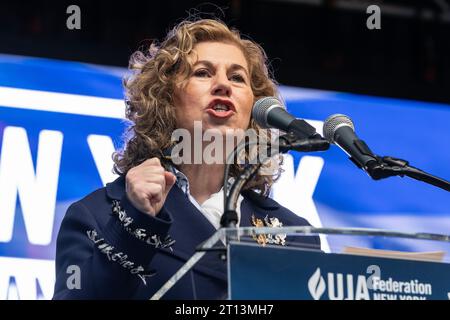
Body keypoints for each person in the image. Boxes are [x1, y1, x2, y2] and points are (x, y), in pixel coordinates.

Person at [53, 18, 320, 300]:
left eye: (237, 77)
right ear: (165, 99)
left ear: (254, 109)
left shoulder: (295, 234)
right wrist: (135, 221)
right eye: (203, 73)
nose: (223, 86)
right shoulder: (97, 215)